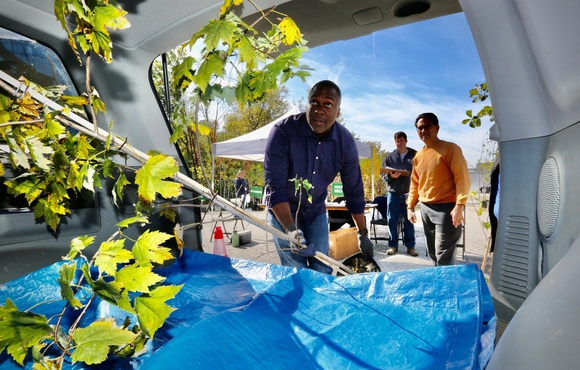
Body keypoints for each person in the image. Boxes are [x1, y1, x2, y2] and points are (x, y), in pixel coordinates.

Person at [264, 80, 374, 273]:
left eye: (328, 104)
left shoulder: (345, 143)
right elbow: (275, 188)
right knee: (296, 270)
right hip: (284, 211)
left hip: (316, 211)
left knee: (321, 270)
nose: (319, 109)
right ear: (307, 105)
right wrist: (291, 229)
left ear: (338, 112)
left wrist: (362, 233)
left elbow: (354, 191)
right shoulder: (283, 132)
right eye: (314, 102)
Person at [407, 112, 471, 266]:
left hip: (446, 209)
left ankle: (447, 288)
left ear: (437, 127)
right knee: (433, 253)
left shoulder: (451, 149)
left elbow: (462, 178)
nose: (423, 130)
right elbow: (415, 183)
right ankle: (440, 284)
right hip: (425, 208)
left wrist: (460, 205)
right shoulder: (418, 156)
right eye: (419, 128)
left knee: (443, 254)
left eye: (427, 126)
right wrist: (410, 206)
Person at [380, 131, 418, 256]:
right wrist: (391, 176)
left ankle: (410, 246)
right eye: (397, 141)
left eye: (401, 141)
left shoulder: (415, 155)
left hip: (409, 194)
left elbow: (421, 172)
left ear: (406, 141)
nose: (399, 143)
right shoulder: (390, 157)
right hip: (393, 194)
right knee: (392, 220)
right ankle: (393, 246)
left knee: (409, 220)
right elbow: (382, 174)